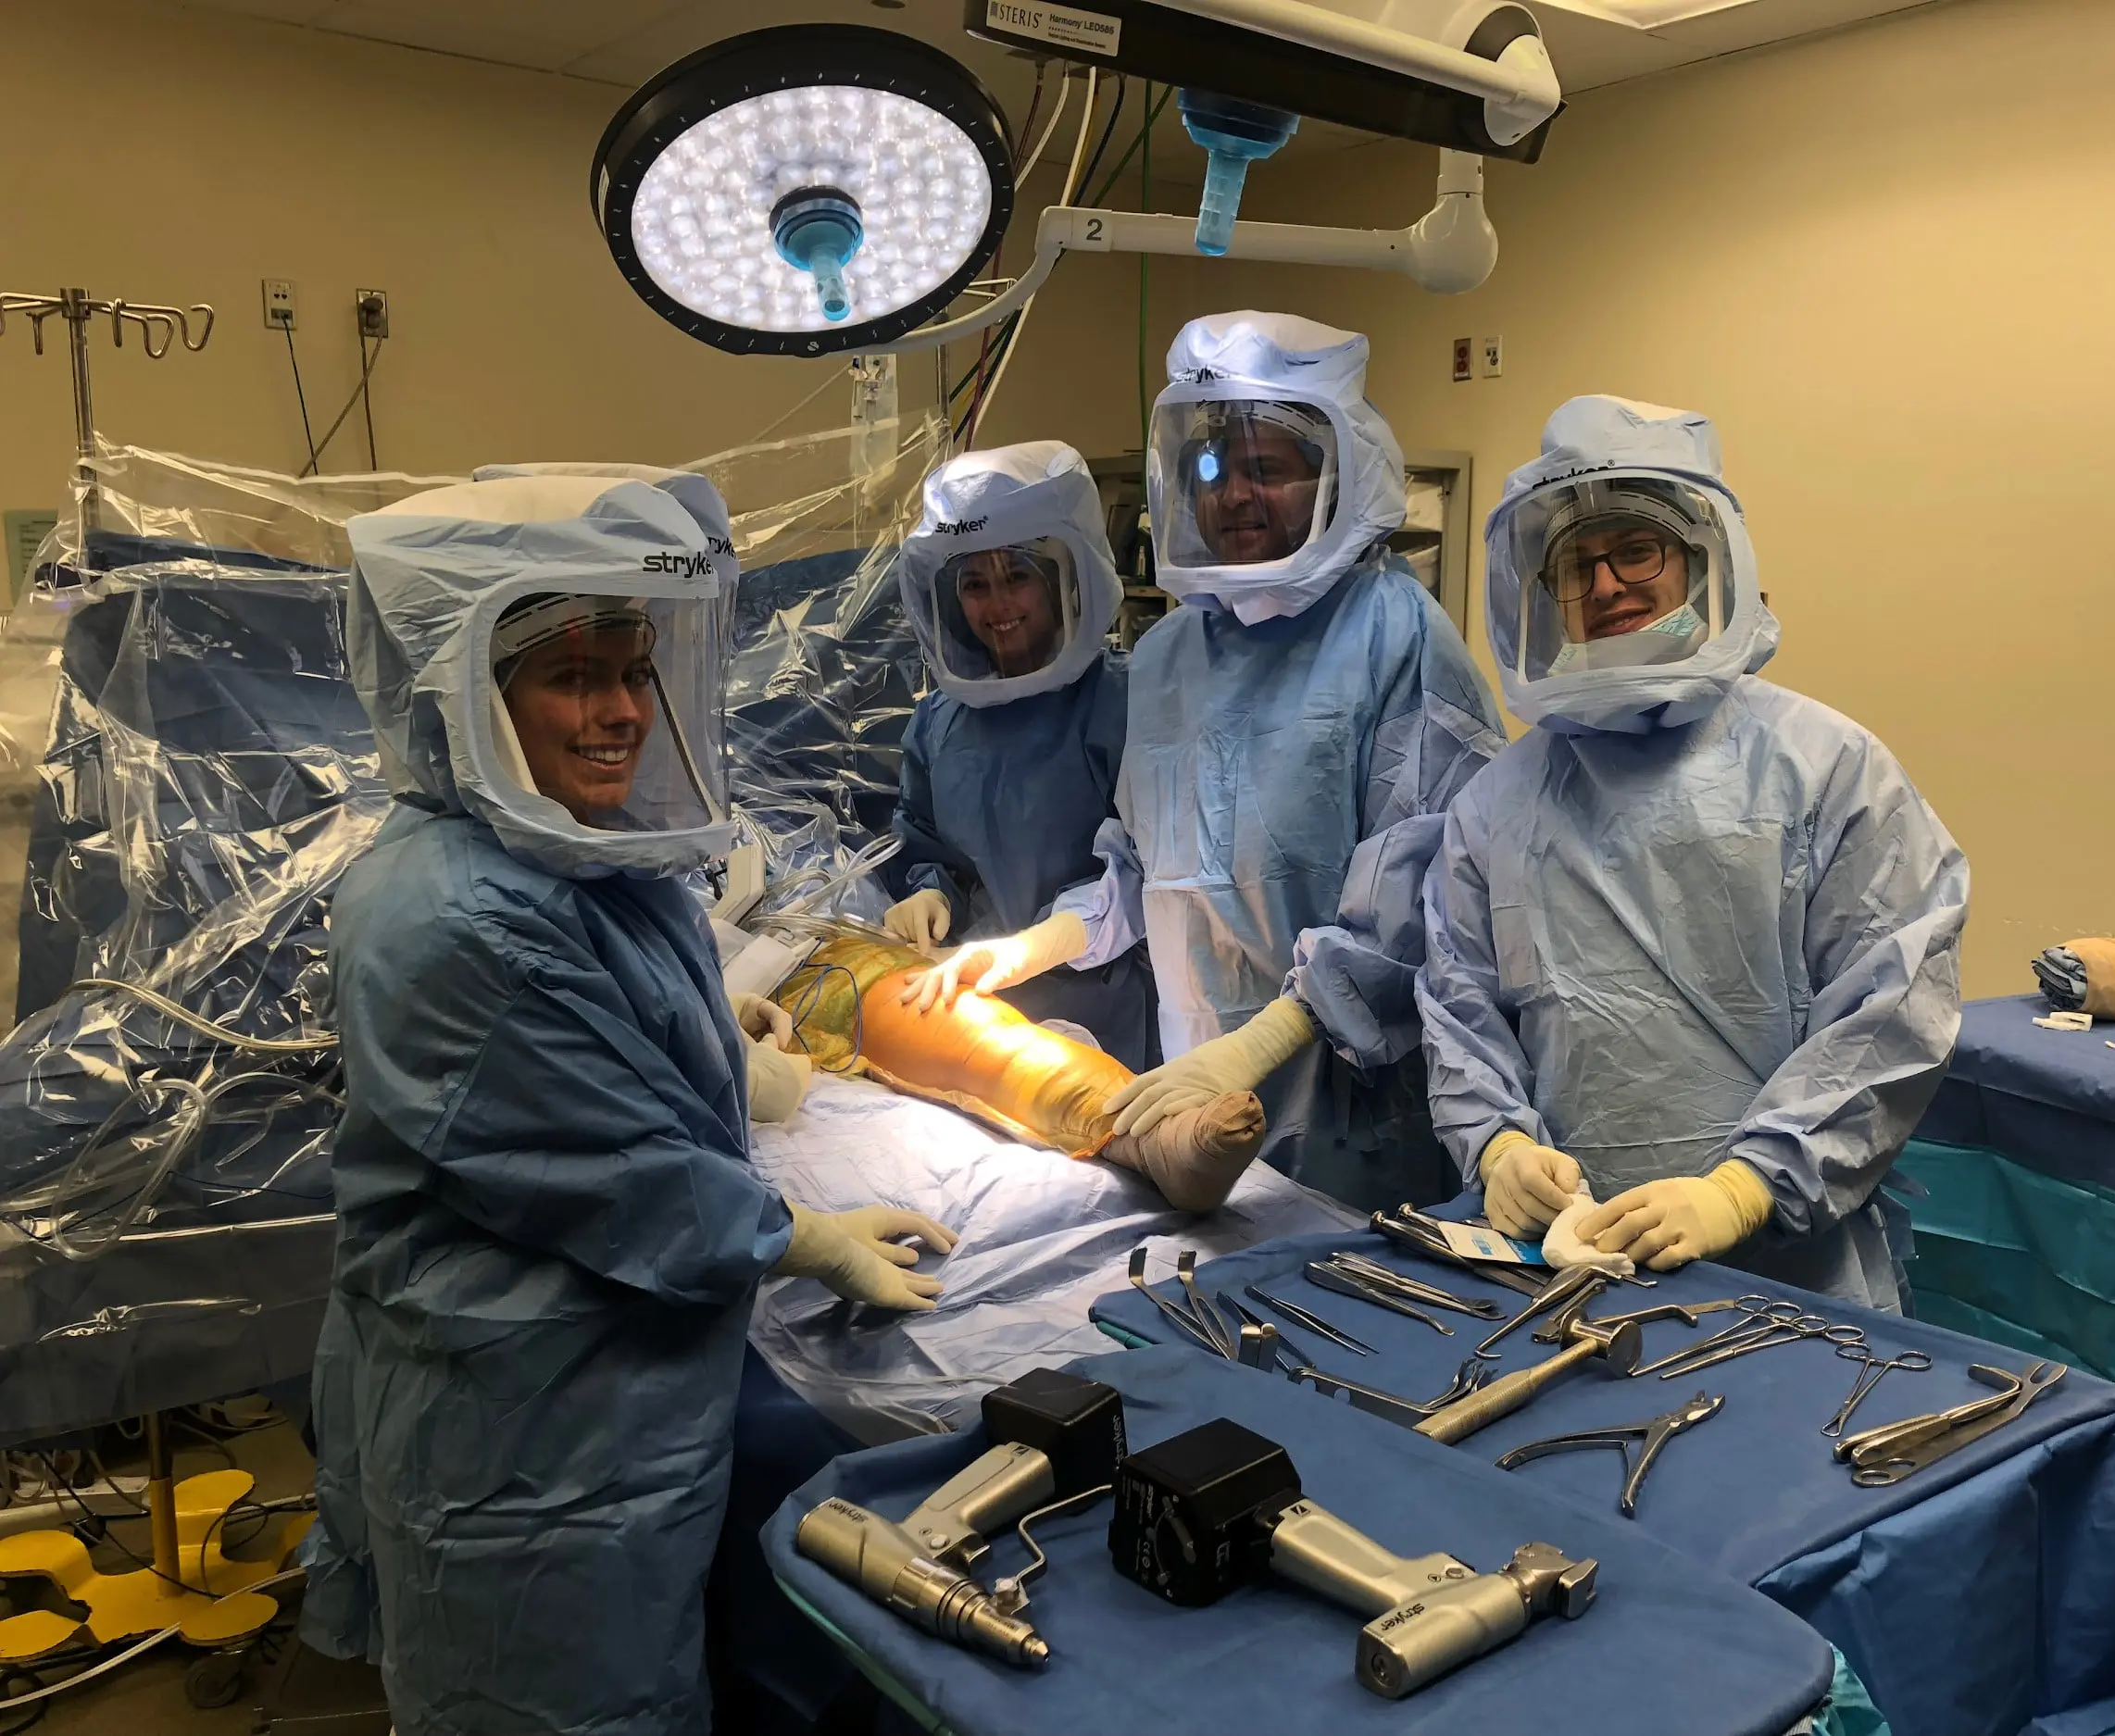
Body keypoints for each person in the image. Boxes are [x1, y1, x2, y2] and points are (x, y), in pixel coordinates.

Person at [297, 474, 956, 1736]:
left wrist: (728, 1042)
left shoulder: (578, 855)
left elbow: (638, 1061)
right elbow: (616, 1170)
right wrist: (805, 1238)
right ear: (467, 692)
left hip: (597, 1390)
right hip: (532, 1433)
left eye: (636, 670)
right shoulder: (459, 913)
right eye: (572, 677)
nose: (620, 712)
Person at [907, 312, 1505, 1208]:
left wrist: (1265, 1040)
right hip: (1195, 1095)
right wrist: (1028, 949)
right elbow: (1141, 867)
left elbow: (1429, 897)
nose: (1236, 496)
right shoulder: (1167, 657)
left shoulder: (1395, 633)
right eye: (1215, 470)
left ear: (1336, 473)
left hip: (1358, 1115)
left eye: (1270, 468)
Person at [1418, 395, 1968, 1309]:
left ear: (1703, 560)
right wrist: (1500, 1146)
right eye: (1576, 564)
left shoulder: (1826, 768)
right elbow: (1458, 1006)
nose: (1605, 586)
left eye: (1637, 549)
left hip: (1789, 1278)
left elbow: (1893, 1005)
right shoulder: (1493, 804)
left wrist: (1745, 1188)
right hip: (1561, 1266)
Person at [882, 442, 1159, 1068]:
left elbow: (1154, 869)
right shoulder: (940, 722)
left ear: (1065, 577)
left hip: (1110, 1012)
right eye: (975, 584)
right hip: (976, 1005)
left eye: (1017, 576)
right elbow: (928, 847)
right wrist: (932, 896)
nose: (997, 606)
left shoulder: (1124, 704)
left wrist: (1049, 940)